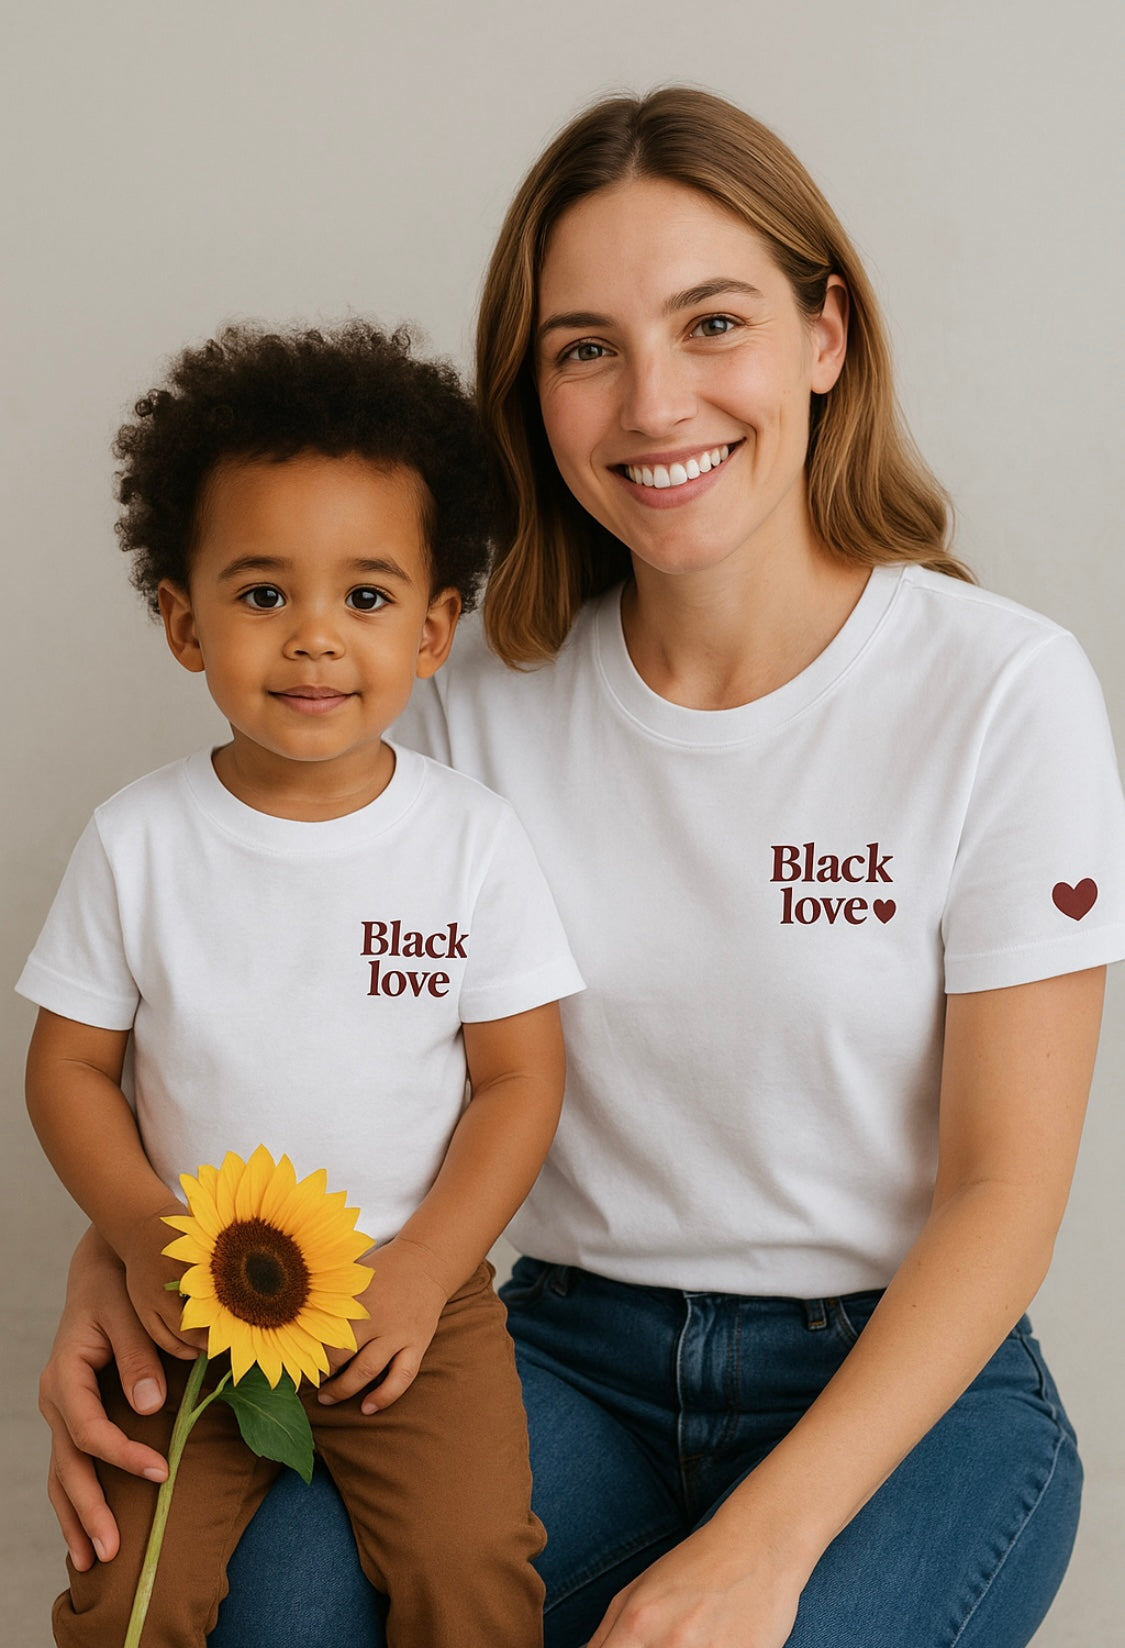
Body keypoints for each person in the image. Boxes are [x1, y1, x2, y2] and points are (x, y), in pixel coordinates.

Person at [37, 88, 1125, 1648]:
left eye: (712, 323)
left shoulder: (1002, 693)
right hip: (549, 1352)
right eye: (585, 348)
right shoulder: (455, 702)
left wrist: (757, 1550)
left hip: (897, 1382)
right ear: (531, 394)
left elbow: (1004, 1195)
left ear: (825, 335)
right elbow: (272, 1023)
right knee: (276, 1614)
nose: (652, 403)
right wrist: (121, 1255)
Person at [19, 321, 584, 1647]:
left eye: (368, 599)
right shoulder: (137, 843)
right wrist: (144, 1233)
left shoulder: (472, 843)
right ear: (182, 620)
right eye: (264, 594)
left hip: (416, 1312)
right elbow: (67, 1068)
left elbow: (520, 1077)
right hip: (188, 1302)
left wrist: (429, 1265)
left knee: (470, 1569)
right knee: (124, 1589)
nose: (315, 640)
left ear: (437, 629)